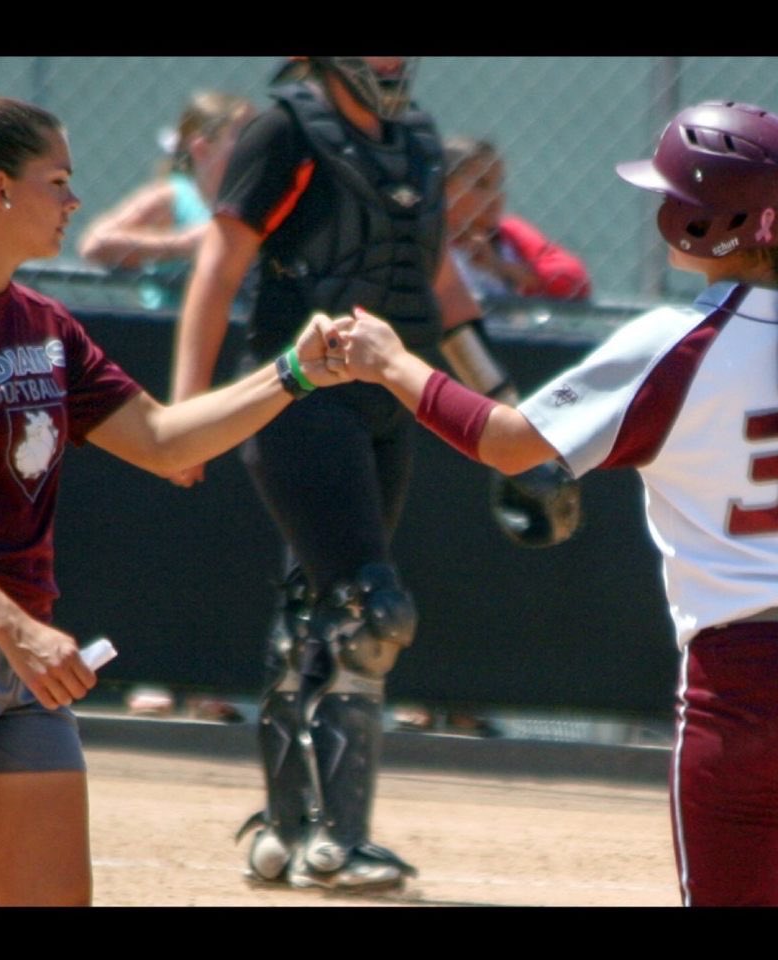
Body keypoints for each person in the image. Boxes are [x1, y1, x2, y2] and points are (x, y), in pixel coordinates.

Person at [0, 93, 348, 907]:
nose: (74, 201)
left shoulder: (43, 324)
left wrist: (296, 372)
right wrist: (20, 631)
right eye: (57, 181)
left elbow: (166, 439)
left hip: (21, 659)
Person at [340, 100, 778, 907]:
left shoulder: (679, 341)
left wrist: (393, 364)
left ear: (701, 221)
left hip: (745, 679)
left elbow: (513, 444)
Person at [169, 56, 576, 892]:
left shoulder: (418, 138)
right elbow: (219, 269)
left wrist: (505, 405)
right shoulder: (282, 127)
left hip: (389, 402)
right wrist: (183, 417)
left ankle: (286, 832)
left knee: (315, 605)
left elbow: (439, 285)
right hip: (297, 393)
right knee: (371, 605)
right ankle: (342, 841)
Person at [77, 91, 255, 312]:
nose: (257, 145)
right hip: (167, 331)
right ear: (202, 148)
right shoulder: (175, 196)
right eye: (244, 137)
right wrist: (185, 243)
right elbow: (94, 244)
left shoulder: (258, 201)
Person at [443, 136, 592, 301]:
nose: (496, 196)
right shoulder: (424, 236)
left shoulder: (509, 233)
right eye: (481, 184)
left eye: (498, 185)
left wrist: (500, 267)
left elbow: (576, 281)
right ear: (445, 187)